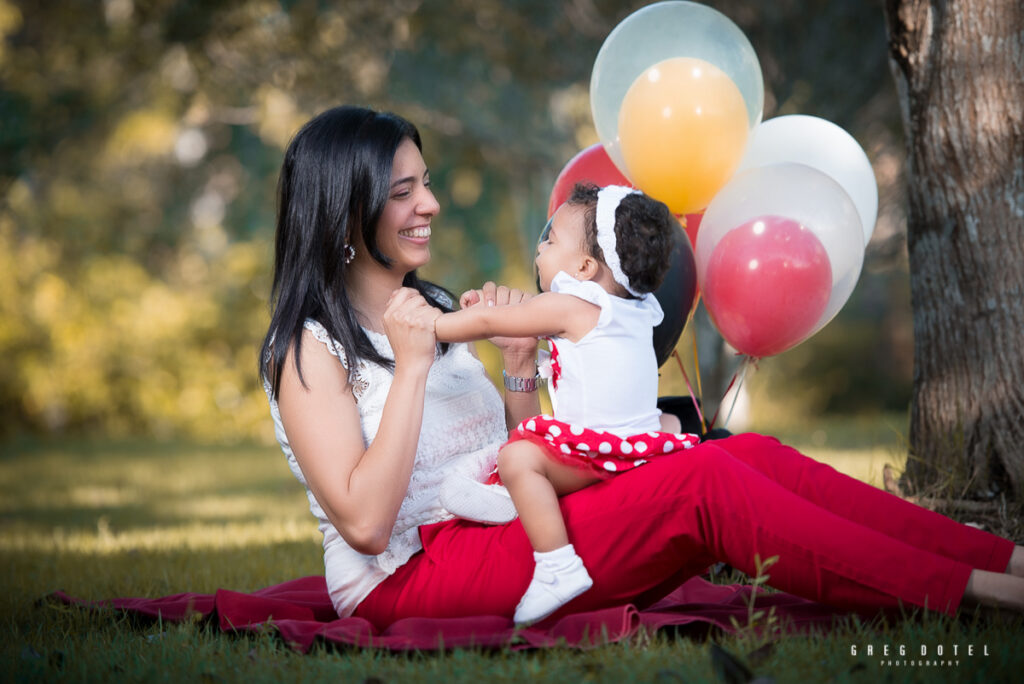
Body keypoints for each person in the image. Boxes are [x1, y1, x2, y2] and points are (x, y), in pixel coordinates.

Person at [260, 104, 1024, 629]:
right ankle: (980, 592)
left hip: (500, 530)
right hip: (408, 581)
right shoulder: (308, 349)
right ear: (345, 214)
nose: (429, 203)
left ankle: (1003, 557)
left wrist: (520, 366)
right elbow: (363, 524)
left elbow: (519, 454)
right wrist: (417, 367)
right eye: (404, 192)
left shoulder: (426, 307)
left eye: (424, 182)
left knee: (747, 454)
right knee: (707, 480)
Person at [430, 182, 698, 624]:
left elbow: (487, 321)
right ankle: (514, 502)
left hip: (601, 454)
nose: (540, 249)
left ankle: (557, 565)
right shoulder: (637, 308)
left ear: (585, 265)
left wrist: (434, 325)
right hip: (644, 445)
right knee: (658, 419)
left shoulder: (571, 306)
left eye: (550, 240)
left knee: (518, 458)